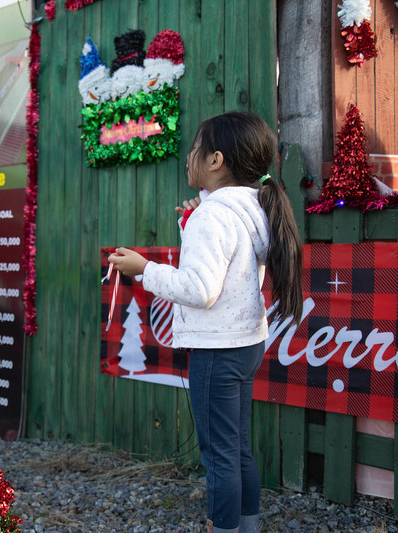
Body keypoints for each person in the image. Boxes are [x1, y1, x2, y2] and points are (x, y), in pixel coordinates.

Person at [108, 111, 303, 533]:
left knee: (218, 456)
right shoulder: (250, 207)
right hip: (246, 345)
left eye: (196, 148)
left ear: (216, 160)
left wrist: (144, 269)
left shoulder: (213, 216)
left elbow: (200, 289)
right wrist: (191, 222)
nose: (188, 156)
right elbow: (226, 268)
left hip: (217, 351)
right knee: (237, 448)